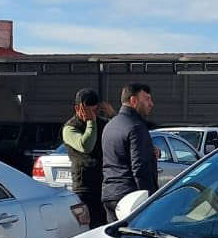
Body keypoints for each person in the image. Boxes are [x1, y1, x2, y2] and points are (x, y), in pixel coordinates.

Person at [101, 83, 159, 220]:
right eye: (147, 99)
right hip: (131, 197)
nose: (151, 104)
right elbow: (140, 168)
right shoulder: (136, 127)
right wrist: (149, 198)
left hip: (110, 195)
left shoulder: (110, 125)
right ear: (133, 100)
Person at [62, 87, 114, 228]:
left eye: (94, 110)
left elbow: (120, 134)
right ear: (77, 108)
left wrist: (113, 116)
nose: (92, 114)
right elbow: (86, 146)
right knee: (87, 227)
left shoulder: (102, 123)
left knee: (105, 225)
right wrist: (91, 122)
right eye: (87, 110)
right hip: (84, 187)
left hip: (103, 184)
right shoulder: (70, 128)